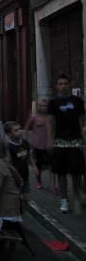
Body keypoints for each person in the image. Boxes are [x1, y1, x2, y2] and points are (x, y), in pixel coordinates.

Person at [47, 74, 86, 213]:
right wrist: (50, 140)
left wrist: (83, 134)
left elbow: (82, 119)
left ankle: (77, 194)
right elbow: (50, 122)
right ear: (57, 86)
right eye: (60, 84)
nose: (63, 86)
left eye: (65, 83)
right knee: (61, 172)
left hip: (75, 141)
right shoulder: (53, 102)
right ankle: (64, 199)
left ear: (70, 84)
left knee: (77, 171)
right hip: (59, 141)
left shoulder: (77, 101)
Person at [4, 121, 33, 203]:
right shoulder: (9, 146)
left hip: (25, 176)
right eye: (16, 130)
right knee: (16, 200)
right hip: (15, 178)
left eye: (20, 129)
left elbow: (29, 155)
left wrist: (34, 167)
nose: (19, 132)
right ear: (9, 134)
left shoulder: (24, 142)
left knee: (26, 198)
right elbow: (9, 163)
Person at [25, 99, 50, 190]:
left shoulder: (50, 117)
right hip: (37, 145)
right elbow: (27, 128)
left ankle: (53, 184)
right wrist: (28, 141)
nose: (43, 107)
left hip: (49, 145)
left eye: (45, 105)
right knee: (38, 165)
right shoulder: (34, 117)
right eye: (41, 105)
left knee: (51, 166)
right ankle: (38, 182)